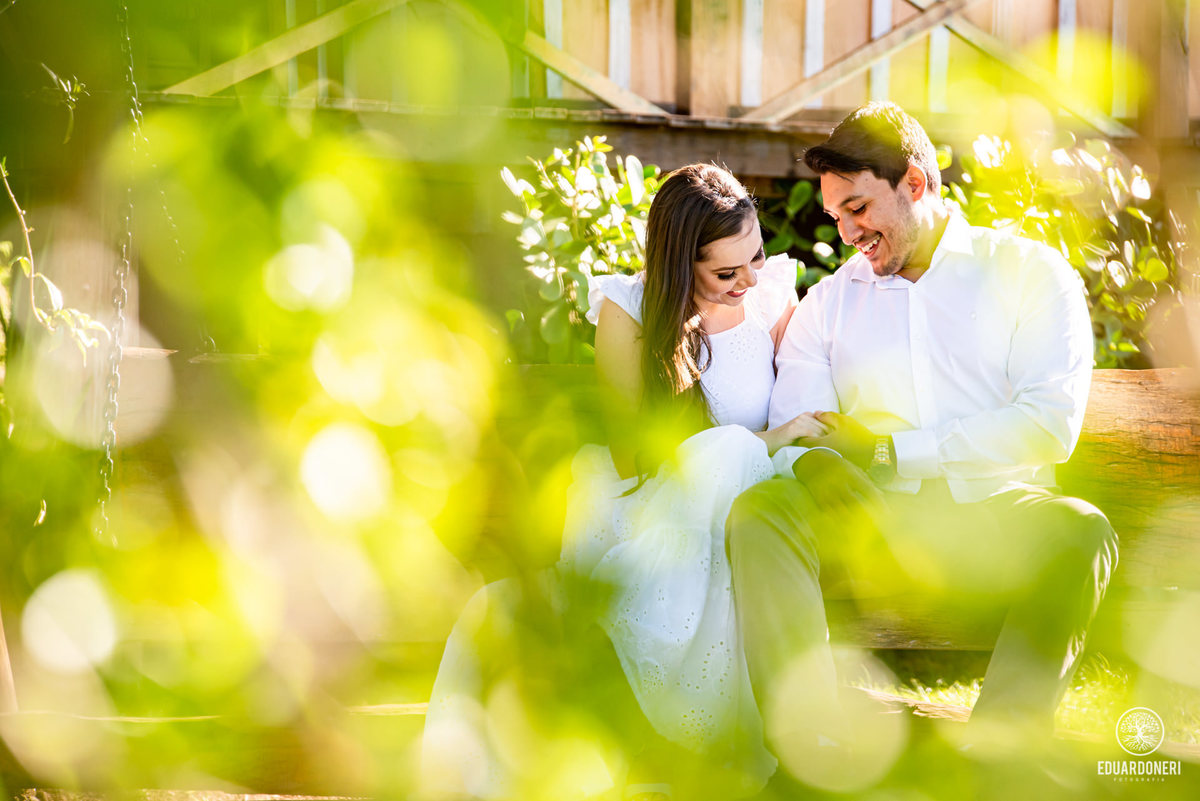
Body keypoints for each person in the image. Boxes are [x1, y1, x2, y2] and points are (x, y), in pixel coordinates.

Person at [725, 102, 1119, 770]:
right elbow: (806, 427)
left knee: (1081, 532)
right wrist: (824, 465)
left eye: (858, 208)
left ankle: (995, 758)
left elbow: (1049, 426)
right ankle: (810, 753)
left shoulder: (1028, 274)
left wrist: (891, 448)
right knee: (762, 513)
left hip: (997, 513)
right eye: (837, 216)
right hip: (868, 516)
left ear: (914, 183)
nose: (847, 231)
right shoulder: (829, 304)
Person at [423, 163, 822, 799]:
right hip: (650, 504)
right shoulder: (629, 308)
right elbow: (635, 454)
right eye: (727, 272)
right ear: (680, 265)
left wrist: (770, 449)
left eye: (757, 255)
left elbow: (802, 399)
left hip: (742, 505)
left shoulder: (770, 296)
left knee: (736, 478)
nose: (749, 279)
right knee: (722, 458)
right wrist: (761, 443)